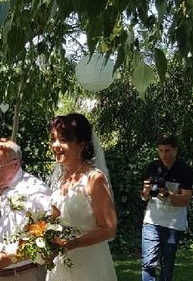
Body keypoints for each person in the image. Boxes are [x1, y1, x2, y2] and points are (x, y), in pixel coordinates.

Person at [47, 113, 117, 281]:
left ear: (81, 145)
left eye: (63, 140)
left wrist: (71, 244)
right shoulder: (59, 180)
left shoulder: (94, 179)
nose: (55, 145)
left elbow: (109, 229)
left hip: (89, 266)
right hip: (61, 265)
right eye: (53, 139)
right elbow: (54, 221)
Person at [0, 138, 51, 281]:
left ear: (15, 165)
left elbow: (50, 239)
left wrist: (12, 258)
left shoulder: (35, 192)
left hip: (22, 274)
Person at [140, 134, 193, 281]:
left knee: (167, 264)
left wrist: (167, 194)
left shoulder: (185, 171)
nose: (164, 154)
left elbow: (185, 200)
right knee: (147, 263)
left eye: (168, 150)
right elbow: (145, 197)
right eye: (161, 150)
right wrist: (146, 190)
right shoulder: (152, 167)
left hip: (173, 224)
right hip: (151, 221)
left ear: (175, 150)